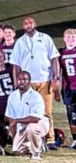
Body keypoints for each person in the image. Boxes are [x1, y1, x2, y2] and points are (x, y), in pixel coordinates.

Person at [11, 16, 60, 150]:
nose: (28, 25)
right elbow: (15, 65)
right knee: (27, 111)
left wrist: (56, 77)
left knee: (47, 111)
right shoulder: (20, 42)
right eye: (25, 23)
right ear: (23, 26)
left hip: (45, 80)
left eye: (30, 22)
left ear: (35, 24)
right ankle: (29, 137)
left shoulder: (45, 38)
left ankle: (50, 139)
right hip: (27, 84)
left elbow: (54, 58)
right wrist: (17, 84)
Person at [5, 71, 50, 160]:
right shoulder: (12, 96)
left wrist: (16, 121)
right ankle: (36, 143)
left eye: (25, 79)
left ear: (29, 81)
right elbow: (10, 117)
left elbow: (36, 118)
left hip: (40, 123)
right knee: (16, 150)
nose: (22, 82)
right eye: (20, 79)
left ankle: (36, 152)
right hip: (22, 125)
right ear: (16, 80)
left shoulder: (36, 96)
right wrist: (14, 137)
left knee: (31, 128)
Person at [58, 28, 76, 149]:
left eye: (73, 37)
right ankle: (75, 140)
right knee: (72, 115)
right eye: (68, 37)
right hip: (68, 88)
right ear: (64, 39)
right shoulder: (61, 53)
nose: (70, 40)